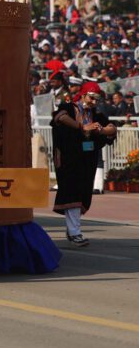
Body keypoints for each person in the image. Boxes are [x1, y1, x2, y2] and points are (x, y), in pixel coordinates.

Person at [51, 81, 118, 246]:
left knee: (83, 193)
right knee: (71, 192)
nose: (94, 102)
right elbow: (60, 118)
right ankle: (75, 232)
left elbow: (112, 128)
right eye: (91, 98)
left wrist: (100, 130)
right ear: (83, 94)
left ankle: (72, 228)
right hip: (69, 159)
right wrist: (82, 127)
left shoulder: (96, 114)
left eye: (96, 99)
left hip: (86, 160)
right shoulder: (68, 107)